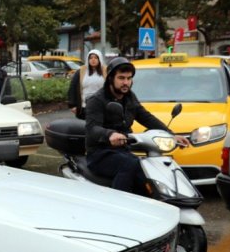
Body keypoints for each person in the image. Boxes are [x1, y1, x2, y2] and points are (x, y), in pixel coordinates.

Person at [85, 57, 190, 194]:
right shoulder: (97, 100)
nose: (126, 83)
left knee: (146, 168)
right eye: (121, 78)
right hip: (100, 153)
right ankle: (119, 203)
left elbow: (146, 117)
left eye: (129, 79)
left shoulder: (129, 97)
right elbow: (92, 128)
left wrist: (171, 134)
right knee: (129, 164)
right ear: (111, 78)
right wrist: (110, 134)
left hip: (123, 150)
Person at [67, 50, 106, 119]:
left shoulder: (106, 71)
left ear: (100, 59)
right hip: (84, 107)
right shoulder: (81, 71)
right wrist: (73, 105)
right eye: (91, 58)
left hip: (101, 108)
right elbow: (73, 87)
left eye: (96, 58)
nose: (93, 60)